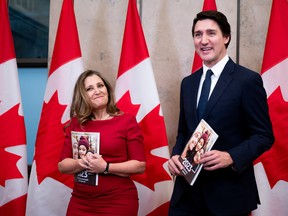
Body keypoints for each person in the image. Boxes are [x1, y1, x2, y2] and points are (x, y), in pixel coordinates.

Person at [167, 10, 274, 216]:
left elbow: (264, 136)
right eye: (198, 34)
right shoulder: (188, 83)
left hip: (228, 195)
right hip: (186, 194)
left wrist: (231, 156)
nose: (204, 40)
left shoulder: (247, 81)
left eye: (211, 33)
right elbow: (183, 132)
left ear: (226, 37)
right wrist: (175, 156)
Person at [58, 70, 146, 216]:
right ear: (82, 95)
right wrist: (83, 162)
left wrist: (105, 167)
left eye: (100, 85)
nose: (97, 91)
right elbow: (62, 166)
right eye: (90, 88)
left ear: (107, 90)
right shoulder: (76, 124)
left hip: (118, 201)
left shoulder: (126, 121)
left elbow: (139, 165)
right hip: (80, 202)